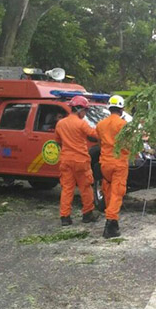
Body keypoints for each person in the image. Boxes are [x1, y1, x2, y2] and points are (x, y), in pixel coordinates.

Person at [55, 95, 100, 226]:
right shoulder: (81, 124)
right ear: (80, 109)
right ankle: (87, 214)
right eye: (85, 111)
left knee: (67, 189)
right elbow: (94, 135)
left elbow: (58, 141)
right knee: (85, 188)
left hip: (66, 160)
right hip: (80, 161)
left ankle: (65, 217)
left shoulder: (61, 123)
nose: (85, 113)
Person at [96, 95, 129, 238]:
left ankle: (112, 220)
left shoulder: (100, 124)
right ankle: (110, 224)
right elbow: (129, 144)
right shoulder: (123, 125)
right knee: (117, 193)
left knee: (108, 191)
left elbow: (99, 141)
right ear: (121, 109)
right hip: (119, 163)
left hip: (105, 163)